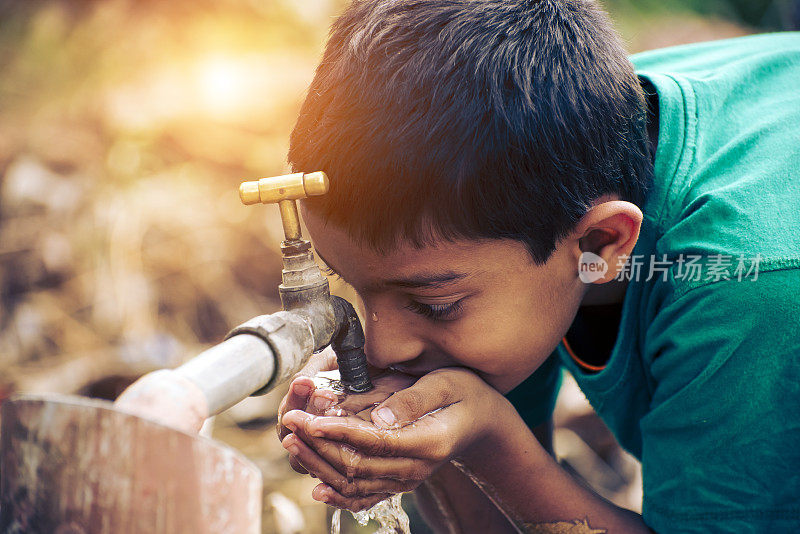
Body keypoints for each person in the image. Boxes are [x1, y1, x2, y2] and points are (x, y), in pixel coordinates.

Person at [275, 0, 800, 531]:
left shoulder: (745, 289)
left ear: (600, 243)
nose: (381, 347)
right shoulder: (548, 148)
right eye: (355, 286)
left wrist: (489, 446)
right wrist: (433, 441)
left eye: (435, 305)